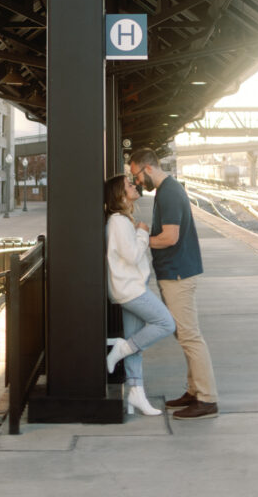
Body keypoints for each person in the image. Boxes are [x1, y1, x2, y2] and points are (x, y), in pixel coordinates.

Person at [128, 148, 219, 419]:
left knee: (190, 336)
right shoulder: (167, 190)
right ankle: (194, 391)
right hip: (176, 272)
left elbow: (170, 237)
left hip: (178, 273)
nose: (136, 181)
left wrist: (140, 240)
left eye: (136, 175)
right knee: (184, 335)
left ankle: (207, 399)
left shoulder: (168, 192)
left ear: (147, 168)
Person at [104, 173, 176, 416]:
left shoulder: (123, 221)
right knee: (166, 323)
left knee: (137, 343)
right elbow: (133, 255)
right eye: (127, 185)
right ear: (119, 194)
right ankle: (121, 349)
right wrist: (143, 232)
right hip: (130, 290)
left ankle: (136, 394)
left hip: (131, 287)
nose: (133, 186)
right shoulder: (118, 221)